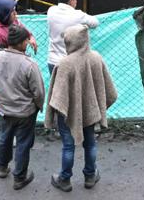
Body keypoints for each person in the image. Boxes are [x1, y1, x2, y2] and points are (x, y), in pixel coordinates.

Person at [46, 24, 117, 192]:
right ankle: (90, 176)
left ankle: (64, 179)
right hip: (90, 111)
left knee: (68, 146)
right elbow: (109, 89)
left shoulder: (65, 63)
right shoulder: (96, 57)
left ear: (70, 42)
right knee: (90, 143)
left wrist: (57, 113)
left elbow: (57, 97)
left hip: (68, 114)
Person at [0, 24, 44, 191]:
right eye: (26, 40)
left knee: (5, 137)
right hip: (25, 112)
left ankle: (2, 166)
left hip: (4, 110)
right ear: (20, 43)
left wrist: (1, 101)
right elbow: (38, 92)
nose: (27, 43)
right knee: (23, 143)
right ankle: (19, 177)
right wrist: (38, 106)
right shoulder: (29, 64)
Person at [47, 0, 99, 75]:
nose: (76, 1)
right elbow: (95, 22)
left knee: (56, 88)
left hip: (52, 62)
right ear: (71, 0)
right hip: (70, 63)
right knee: (74, 89)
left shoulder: (51, 10)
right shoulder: (78, 15)